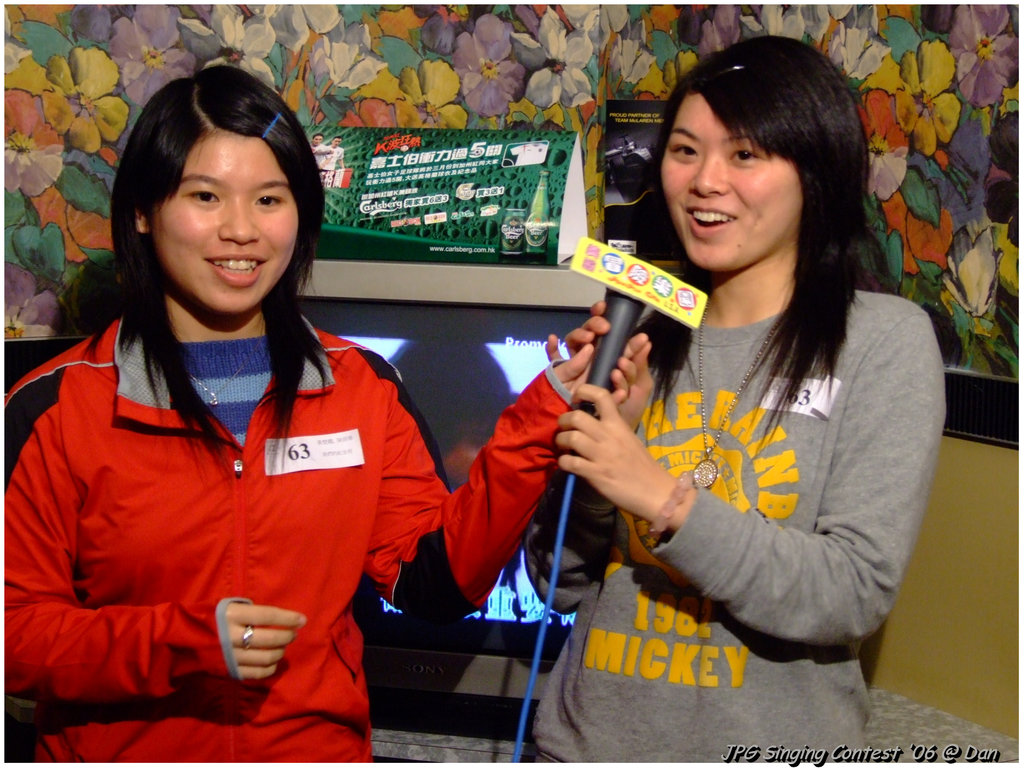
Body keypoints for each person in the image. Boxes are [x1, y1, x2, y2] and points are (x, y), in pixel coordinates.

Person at [3, 65, 647, 762]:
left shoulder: (361, 387)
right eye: (205, 196)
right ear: (142, 211)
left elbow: (435, 583)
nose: (241, 230)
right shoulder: (52, 409)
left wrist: (545, 409)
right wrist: (180, 643)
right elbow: (14, 634)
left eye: (269, 199)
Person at [526, 35, 945, 762]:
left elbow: (853, 591)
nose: (705, 181)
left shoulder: (883, 341)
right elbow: (555, 585)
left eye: (744, 154)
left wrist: (662, 498)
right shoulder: (641, 335)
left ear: (815, 170)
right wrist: (597, 467)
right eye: (685, 151)